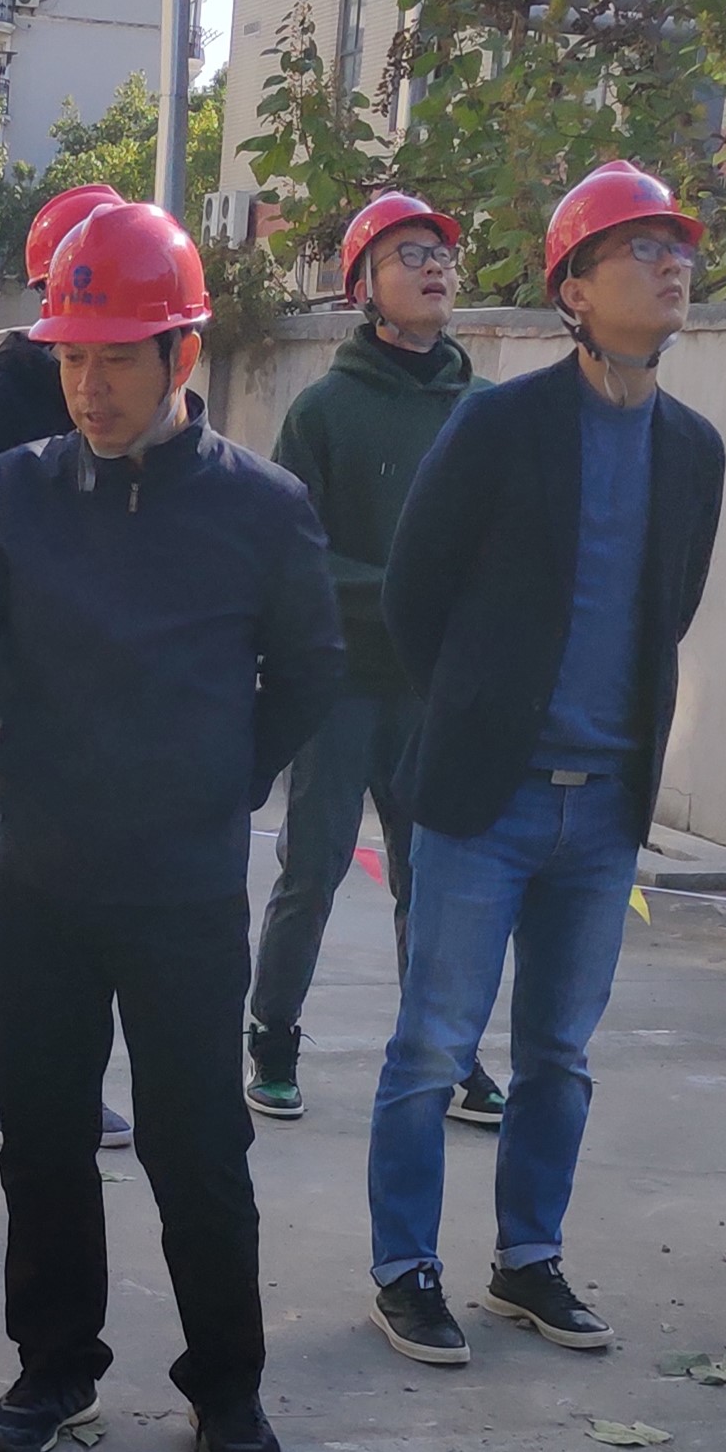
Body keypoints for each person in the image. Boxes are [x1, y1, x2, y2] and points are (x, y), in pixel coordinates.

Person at [0, 202, 344, 1452]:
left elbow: (310, 672)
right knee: (40, 1140)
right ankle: (53, 1367)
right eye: (71, 359)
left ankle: (227, 1389)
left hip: (180, 894)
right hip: (35, 877)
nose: (86, 387)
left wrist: (219, 783)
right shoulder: (20, 489)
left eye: (115, 359)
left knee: (197, 1151)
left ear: (179, 354)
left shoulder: (260, 510)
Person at [364, 161, 725, 1365]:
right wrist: (478, 712)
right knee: (431, 1045)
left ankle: (527, 1260)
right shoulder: (495, 425)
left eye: (678, 248)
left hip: (604, 808)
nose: (670, 267)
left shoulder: (693, 450)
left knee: (558, 1055)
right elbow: (412, 595)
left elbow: (666, 611)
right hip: (486, 799)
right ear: (572, 287)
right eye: (639, 249)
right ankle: (402, 1269)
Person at [246, 193, 504, 1125]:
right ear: (362, 287)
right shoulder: (325, 411)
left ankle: (446, 1051)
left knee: (430, 879)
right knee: (312, 869)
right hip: (341, 683)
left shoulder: (483, 411)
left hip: (436, 689)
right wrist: (405, 592)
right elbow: (291, 552)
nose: (434, 267)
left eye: (441, 251)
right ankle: (274, 1035)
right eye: (409, 254)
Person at [0, 182, 134, 1158]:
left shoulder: (142, 394)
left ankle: (69, 1077)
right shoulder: (6, 400)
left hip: (112, 697)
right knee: (24, 890)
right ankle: (4, 1074)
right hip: (26, 693)